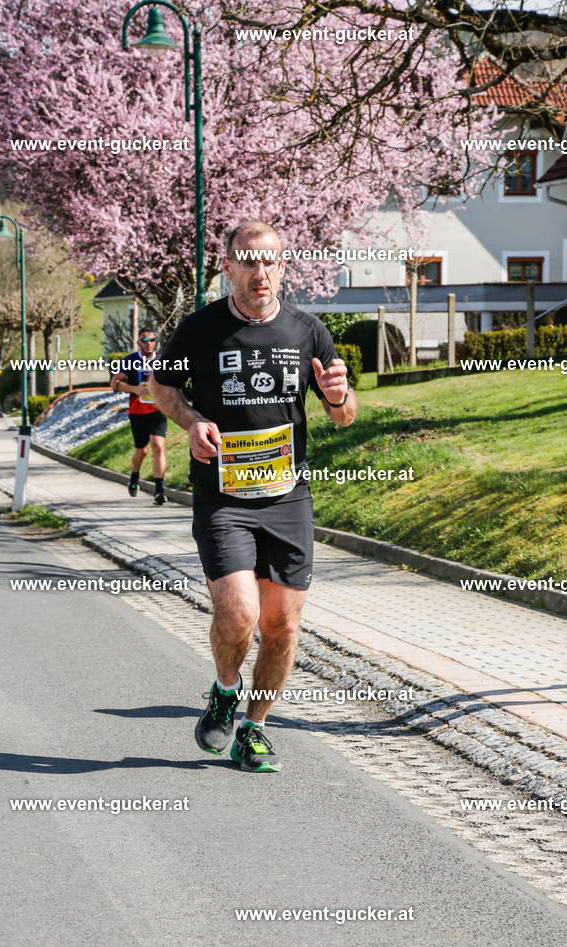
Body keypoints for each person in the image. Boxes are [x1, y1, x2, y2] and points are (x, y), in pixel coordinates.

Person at [149, 220, 357, 772]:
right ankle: (223, 689)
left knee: (282, 626)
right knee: (239, 616)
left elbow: (342, 415)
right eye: (247, 261)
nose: (259, 272)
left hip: (288, 497)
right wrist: (191, 422)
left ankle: (254, 730)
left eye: (269, 262)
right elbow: (162, 389)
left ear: (283, 267)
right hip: (223, 494)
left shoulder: (308, 331)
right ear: (229, 267)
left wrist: (340, 398)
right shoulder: (199, 330)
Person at [110, 330, 168, 505]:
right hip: (137, 412)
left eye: (152, 340)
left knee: (158, 447)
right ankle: (134, 475)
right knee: (141, 451)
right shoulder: (131, 360)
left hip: (158, 410)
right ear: (138, 342)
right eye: (145, 340)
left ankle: (159, 490)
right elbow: (114, 383)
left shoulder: (161, 359)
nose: (149, 343)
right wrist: (134, 389)